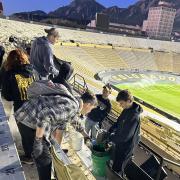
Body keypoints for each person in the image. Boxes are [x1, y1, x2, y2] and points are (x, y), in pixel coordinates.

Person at [14, 88, 97, 180]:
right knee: (45, 160)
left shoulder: (74, 100)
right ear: (88, 104)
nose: (89, 112)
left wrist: (85, 135)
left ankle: (31, 156)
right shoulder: (72, 106)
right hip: (28, 122)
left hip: (24, 114)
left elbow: (72, 119)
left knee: (48, 145)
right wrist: (40, 141)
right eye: (91, 109)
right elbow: (45, 115)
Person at [108, 90, 143, 176]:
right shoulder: (126, 109)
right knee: (115, 163)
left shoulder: (134, 116)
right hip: (120, 143)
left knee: (118, 168)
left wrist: (110, 137)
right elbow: (118, 122)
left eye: (122, 103)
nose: (120, 105)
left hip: (126, 147)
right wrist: (110, 130)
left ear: (129, 101)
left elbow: (125, 137)